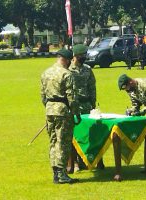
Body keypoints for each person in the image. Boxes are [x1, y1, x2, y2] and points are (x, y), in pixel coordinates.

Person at [40, 48, 80, 184]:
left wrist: (48, 107)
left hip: (50, 109)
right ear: (67, 60)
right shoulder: (66, 74)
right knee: (63, 142)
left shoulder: (46, 73)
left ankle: (55, 173)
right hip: (63, 111)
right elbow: (72, 97)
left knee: (53, 141)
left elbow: (42, 95)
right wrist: (76, 113)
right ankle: (62, 173)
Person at [68, 44, 105, 171]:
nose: (83, 57)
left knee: (88, 134)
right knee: (74, 134)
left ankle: (85, 160)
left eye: (85, 55)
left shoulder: (88, 69)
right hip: (73, 106)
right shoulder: (67, 69)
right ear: (75, 56)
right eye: (81, 55)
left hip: (86, 105)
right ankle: (74, 163)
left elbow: (92, 87)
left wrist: (93, 104)